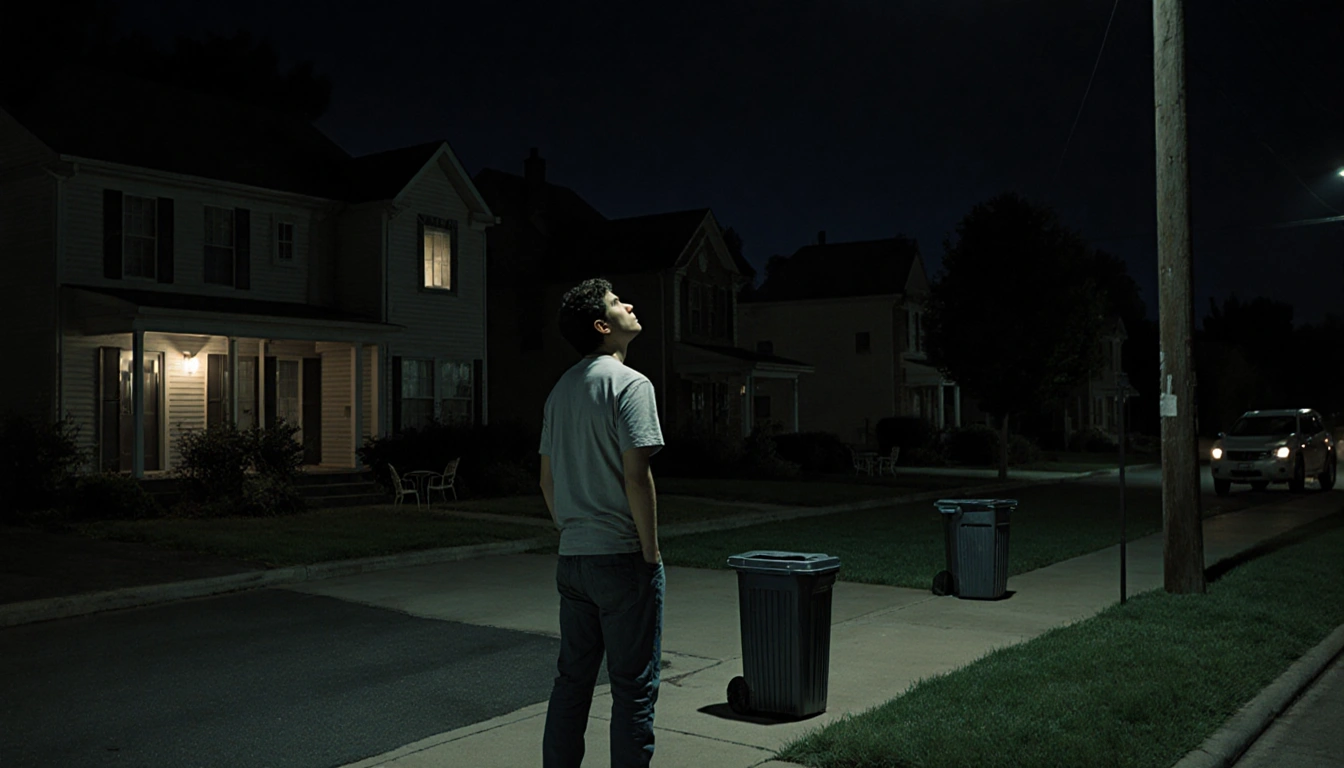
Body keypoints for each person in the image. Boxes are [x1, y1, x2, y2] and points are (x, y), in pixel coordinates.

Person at [540, 278, 665, 768]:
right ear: (602, 326)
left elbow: (547, 482)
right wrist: (649, 554)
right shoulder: (631, 385)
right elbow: (637, 477)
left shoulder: (560, 390)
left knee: (572, 683)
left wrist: (571, 532)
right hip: (622, 557)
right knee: (633, 689)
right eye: (617, 303)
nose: (629, 305)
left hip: (574, 559)